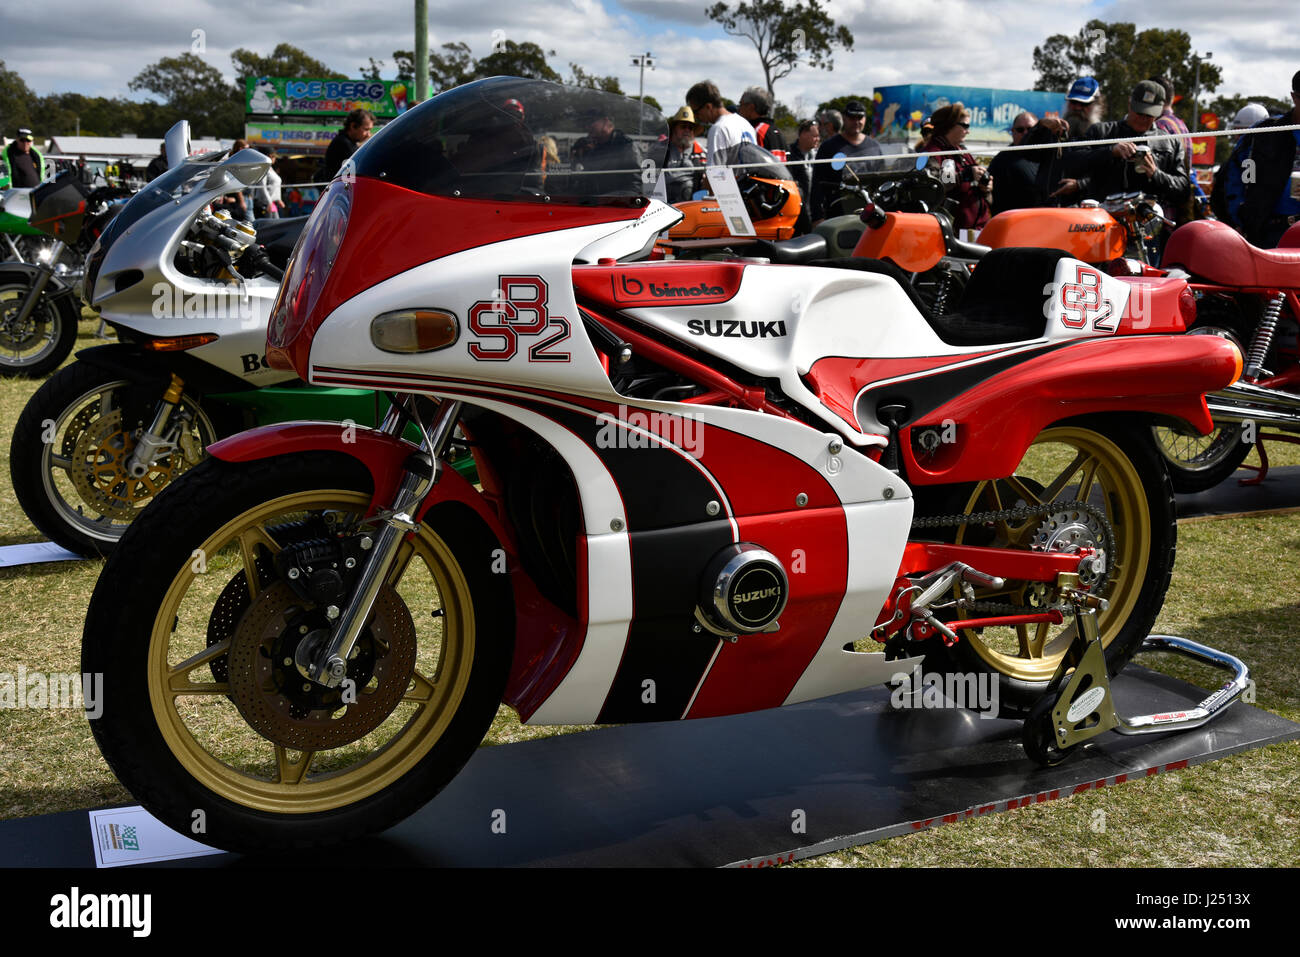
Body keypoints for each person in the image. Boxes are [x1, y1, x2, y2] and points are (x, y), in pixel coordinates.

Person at [1052, 80, 1189, 215]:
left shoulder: (1169, 142)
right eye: (1139, 112)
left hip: (1148, 225)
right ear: (1130, 105)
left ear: (1158, 113)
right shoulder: (1102, 132)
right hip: (1102, 221)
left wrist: (1155, 173)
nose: (1142, 118)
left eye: (1149, 115)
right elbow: (1072, 162)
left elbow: (1183, 190)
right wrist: (1110, 151)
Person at [1236, 70, 1300, 248]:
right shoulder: (1264, 132)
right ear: (1294, 98)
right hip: (1270, 231)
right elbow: (1235, 176)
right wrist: (1239, 219)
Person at [919, 103, 991, 230]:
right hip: (952, 232)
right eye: (965, 126)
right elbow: (933, 187)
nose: (968, 131)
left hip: (977, 228)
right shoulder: (934, 152)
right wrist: (965, 175)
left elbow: (978, 189)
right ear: (949, 125)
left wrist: (986, 188)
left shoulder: (962, 151)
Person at [809, 99, 883, 222]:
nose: (856, 121)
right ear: (844, 118)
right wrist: (817, 218)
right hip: (837, 214)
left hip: (870, 215)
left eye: (860, 117)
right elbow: (817, 185)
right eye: (852, 117)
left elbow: (881, 181)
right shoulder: (828, 147)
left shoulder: (874, 146)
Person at [570, 110, 640, 195]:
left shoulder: (626, 145)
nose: (587, 127)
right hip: (594, 205)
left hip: (617, 205)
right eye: (585, 124)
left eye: (590, 122)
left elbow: (635, 186)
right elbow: (584, 181)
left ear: (605, 121)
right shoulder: (592, 148)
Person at [685, 80, 756, 165]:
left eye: (696, 112)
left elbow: (714, 173)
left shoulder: (718, 129)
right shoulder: (745, 124)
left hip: (734, 178)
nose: (695, 117)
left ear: (708, 107)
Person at [661, 106, 705, 203]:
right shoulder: (661, 149)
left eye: (690, 128)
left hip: (691, 205)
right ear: (674, 129)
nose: (687, 130)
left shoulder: (702, 153)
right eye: (683, 126)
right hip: (663, 204)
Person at [323, 108, 375, 180]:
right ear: (353, 126)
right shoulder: (343, 144)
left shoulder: (347, 142)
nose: (369, 134)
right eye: (366, 129)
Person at [736, 86, 786, 155]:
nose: (738, 109)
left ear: (751, 107)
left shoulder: (757, 131)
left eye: (741, 104)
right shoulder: (776, 131)